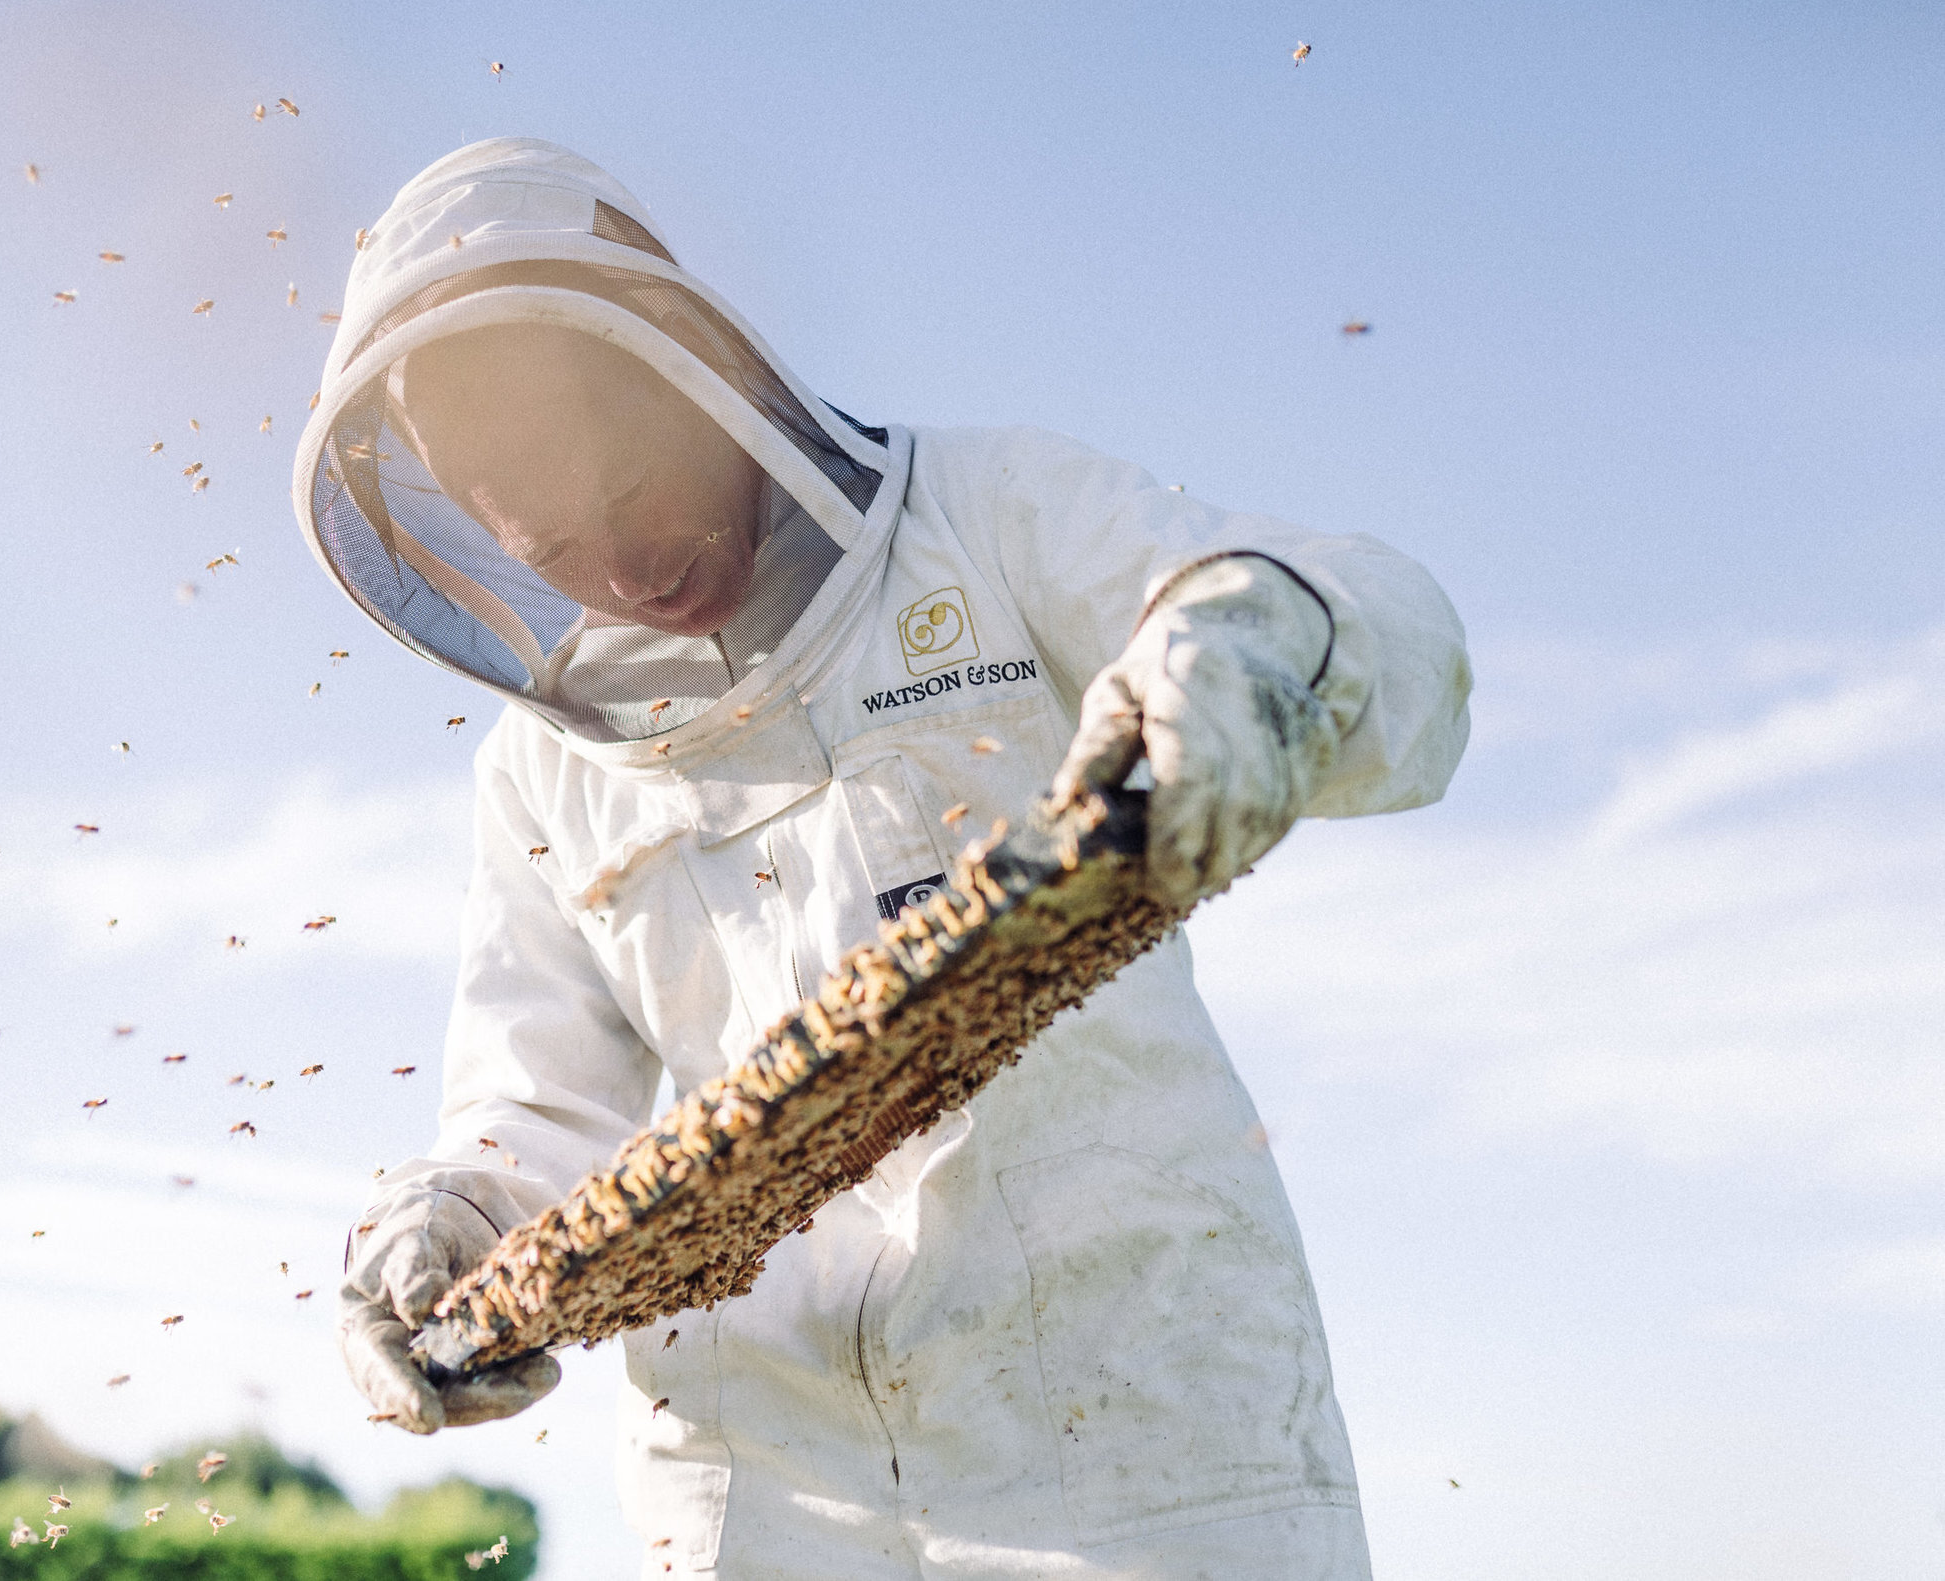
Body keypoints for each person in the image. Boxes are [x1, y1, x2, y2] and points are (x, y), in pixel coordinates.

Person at [297, 139, 1471, 1580]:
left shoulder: (991, 514)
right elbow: (535, 1108)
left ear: (682, 363)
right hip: (768, 1500)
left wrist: (1252, 651)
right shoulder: (543, 766)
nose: (631, 572)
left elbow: (1383, 617)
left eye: (635, 495)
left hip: (1147, 1449)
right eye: (563, 550)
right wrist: (447, 1230)